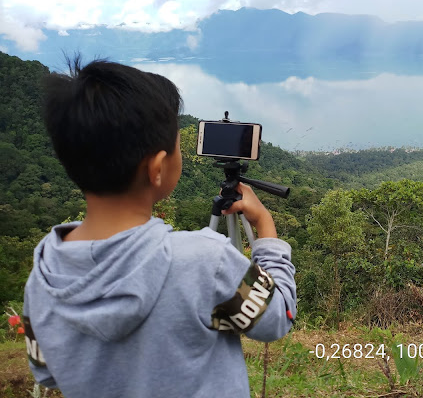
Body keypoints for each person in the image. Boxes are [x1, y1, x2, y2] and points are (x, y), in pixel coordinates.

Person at [22, 58, 296, 398]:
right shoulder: (204, 261)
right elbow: (277, 318)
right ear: (156, 168)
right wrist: (266, 228)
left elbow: (46, 372)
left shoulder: (45, 271)